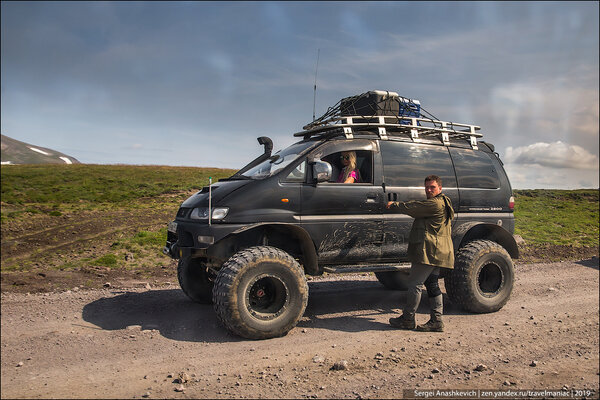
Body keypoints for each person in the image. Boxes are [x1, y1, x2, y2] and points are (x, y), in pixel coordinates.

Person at [385, 175, 454, 332]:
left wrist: (394, 204)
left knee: (414, 284)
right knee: (432, 284)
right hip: (439, 251)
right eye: (427, 187)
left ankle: (408, 319)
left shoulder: (434, 204)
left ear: (440, 188)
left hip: (429, 251)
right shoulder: (444, 202)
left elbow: (413, 207)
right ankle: (437, 321)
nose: (429, 190)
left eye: (433, 187)